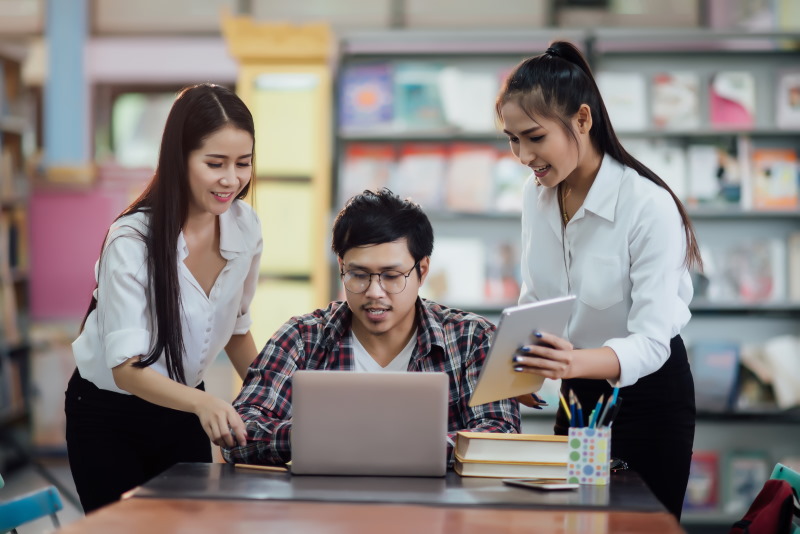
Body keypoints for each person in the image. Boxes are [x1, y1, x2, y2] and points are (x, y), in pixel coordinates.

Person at [496, 41, 701, 519]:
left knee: (635, 528)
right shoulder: (537, 194)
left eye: (534, 137)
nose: (523, 155)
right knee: (573, 522)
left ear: (582, 121)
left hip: (648, 398)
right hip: (579, 394)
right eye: (511, 139)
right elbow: (538, 297)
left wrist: (570, 362)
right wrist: (522, 366)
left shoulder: (648, 206)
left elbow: (652, 342)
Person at [65, 83, 262, 513]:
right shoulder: (132, 239)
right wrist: (204, 402)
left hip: (183, 408)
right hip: (109, 415)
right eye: (215, 163)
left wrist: (280, 398)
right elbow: (127, 371)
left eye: (242, 163)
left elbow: (237, 331)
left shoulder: (245, 227)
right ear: (180, 158)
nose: (232, 179)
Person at [223, 189, 520, 466]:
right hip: (324, 514)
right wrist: (312, 434)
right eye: (358, 274)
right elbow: (240, 431)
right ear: (341, 265)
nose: (374, 292)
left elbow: (500, 433)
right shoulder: (303, 337)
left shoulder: (472, 339)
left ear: (423, 270)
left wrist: (383, 442)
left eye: (391, 276)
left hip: (439, 515)